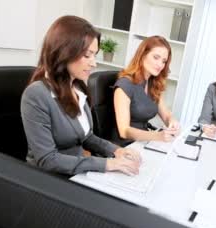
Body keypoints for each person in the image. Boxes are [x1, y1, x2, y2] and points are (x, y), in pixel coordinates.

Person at [21, 15, 141, 176]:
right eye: (87, 55)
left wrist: (116, 150)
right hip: (48, 180)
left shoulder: (78, 88)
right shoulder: (36, 94)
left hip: (77, 174)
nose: (94, 63)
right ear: (64, 52)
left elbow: (86, 137)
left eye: (94, 55)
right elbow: (47, 159)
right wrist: (107, 164)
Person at [113, 36, 180, 145]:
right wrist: (157, 136)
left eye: (164, 61)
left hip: (144, 142)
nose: (160, 65)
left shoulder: (153, 83)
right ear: (143, 55)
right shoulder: (124, 84)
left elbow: (166, 115)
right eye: (156, 57)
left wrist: (172, 121)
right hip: (124, 146)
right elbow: (124, 131)